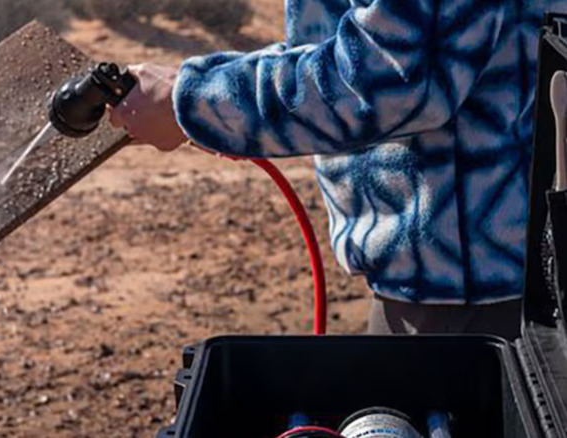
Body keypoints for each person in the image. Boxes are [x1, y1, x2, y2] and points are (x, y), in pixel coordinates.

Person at [108, 1, 567, 341]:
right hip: (449, 281)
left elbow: (387, 79)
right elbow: (338, 46)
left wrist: (191, 101)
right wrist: (228, 115)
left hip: (473, 299)